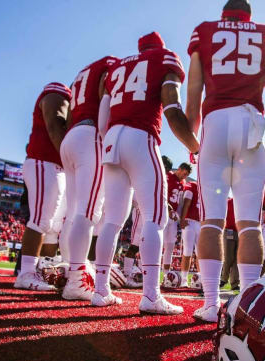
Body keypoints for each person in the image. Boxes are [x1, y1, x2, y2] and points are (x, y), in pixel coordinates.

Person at [186, 0, 265, 321]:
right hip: (252, 123)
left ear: (223, 14)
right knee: (249, 224)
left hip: (215, 121)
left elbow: (194, 92)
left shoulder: (204, 31)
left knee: (212, 221)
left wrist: (193, 140)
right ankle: (247, 308)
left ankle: (211, 303)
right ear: (249, 15)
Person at [94, 31, 199, 312]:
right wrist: (194, 146)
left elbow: (103, 117)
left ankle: (100, 290)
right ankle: (151, 295)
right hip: (140, 136)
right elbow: (172, 108)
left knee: (112, 221)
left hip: (112, 139)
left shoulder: (117, 68)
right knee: (156, 217)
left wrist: (108, 142)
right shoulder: (164, 59)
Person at [60, 55, 118, 301]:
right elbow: (107, 95)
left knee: (73, 211)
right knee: (87, 212)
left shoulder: (82, 73)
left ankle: (70, 269)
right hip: (92, 133)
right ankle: (76, 279)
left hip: (73, 135)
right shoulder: (109, 65)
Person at [14, 82, 71, 290]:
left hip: (57, 166)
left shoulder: (69, 99)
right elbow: (55, 126)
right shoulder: (58, 92)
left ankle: (42, 269)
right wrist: (71, 161)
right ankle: (26, 273)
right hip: (44, 161)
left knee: (54, 226)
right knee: (40, 220)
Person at [163, 162, 192, 272]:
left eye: (186, 175)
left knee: (170, 246)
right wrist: (169, 209)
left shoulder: (183, 182)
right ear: (179, 169)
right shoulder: (168, 176)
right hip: (164, 213)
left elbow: (180, 202)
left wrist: (179, 217)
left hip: (173, 217)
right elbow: (162, 195)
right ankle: (147, 271)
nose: (184, 177)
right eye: (184, 174)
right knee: (158, 243)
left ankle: (165, 274)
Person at [179, 180, 201, 286]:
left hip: (199, 222)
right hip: (190, 221)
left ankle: (199, 278)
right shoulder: (193, 185)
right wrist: (182, 218)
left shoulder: (203, 187)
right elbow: (187, 201)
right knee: (188, 251)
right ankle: (184, 280)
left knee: (198, 253)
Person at [220, 197, 239, 290]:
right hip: (229, 231)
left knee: (237, 259)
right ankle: (224, 279)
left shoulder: (243, 202)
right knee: (228, 257)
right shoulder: (228, 202)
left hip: (239, 231)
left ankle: (234, 283)